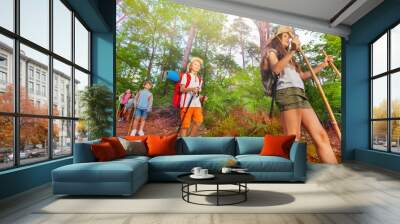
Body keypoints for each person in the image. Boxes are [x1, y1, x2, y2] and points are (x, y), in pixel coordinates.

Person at [263, 26, 338, 164]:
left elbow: (302, 76)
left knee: (321, 136)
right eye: (285, 36)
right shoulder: (271, 53)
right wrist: (292, 50)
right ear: (277, 39)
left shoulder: (290, 59)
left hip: (300, 94)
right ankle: (292, 175)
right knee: (294, 138)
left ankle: (335, 172)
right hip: (287, 93)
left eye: (289, 36)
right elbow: (277, 69)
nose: (289, 38)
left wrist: (323, 65)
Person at [179, 57, 205, 137]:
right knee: (185, 125)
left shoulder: (200, 79)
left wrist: (202, 97)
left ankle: (190, 138)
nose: (197, 66)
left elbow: (197, 93)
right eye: (195, 64)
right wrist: (191, 89)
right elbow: (182, 89)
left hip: (196, 104)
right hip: (186, 103)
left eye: (199, 65)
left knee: (198, 121)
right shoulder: (186, 76)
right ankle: (183, 143)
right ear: (191, 66)